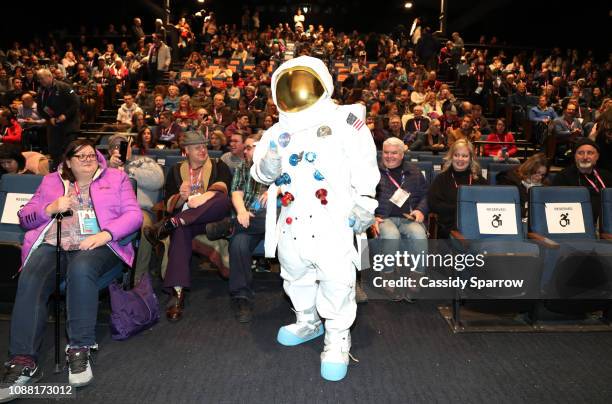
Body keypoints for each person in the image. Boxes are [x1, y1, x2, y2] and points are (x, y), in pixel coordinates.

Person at [251, 56, 379, 381]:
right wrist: (273, 155)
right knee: (294, 273)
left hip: (333, 218)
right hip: (293, 218)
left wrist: (365, 201)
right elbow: (262, 175)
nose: (296, 92)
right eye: (288, 85)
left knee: (337, 278)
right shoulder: (277, 131)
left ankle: (337, 336)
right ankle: (308, 320)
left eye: (303, 83)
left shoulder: (345, 121)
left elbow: (364, 163)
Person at [0, 140, 142, 397]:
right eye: (81, 156)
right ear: (68, 162)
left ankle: (80, 348)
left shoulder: (117, 178)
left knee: (81, 268)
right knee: (31, 276)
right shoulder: (51, 182)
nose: (88, 159)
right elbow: (25, 216)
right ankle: (23, 361)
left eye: (91, 155)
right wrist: (49, 209)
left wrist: (107, 235)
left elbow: (134, 216)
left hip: (100, 245)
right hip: (54, 243)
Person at [144, 131, 232, 322]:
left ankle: (171, 224)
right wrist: (180, 198)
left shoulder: (218, 165)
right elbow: (168, 203)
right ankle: (177, 294)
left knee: (222, 200)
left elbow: (223, 188)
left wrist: (204, 197)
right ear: (186, 151)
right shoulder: (176, 171)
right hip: (188, 222)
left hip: (212, 221)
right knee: (181, 231)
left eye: (204, 146)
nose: (203, 150)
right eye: (197, 147)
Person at [371, 137, 429, 297]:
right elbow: (363, 197)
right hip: (383, 217)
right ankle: (387, 276)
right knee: (391, 235)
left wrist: (420, 210)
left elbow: (425, 195)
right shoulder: (373, 171)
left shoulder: (414, 172)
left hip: (408, 217)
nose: (389, 156)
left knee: (419, 235)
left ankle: (416, 277)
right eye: (386, 153)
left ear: (402, 154)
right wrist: (372, 217)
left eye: (394, 153)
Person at [107, 134, 165, 280]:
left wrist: (127, 168)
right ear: (109, 152)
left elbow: (158, 181)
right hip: (110, 211)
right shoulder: (104, 166)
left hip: (139, 209)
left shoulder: (144, 162)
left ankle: (139, 276)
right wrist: (110, 168)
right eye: (115, 146)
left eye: (123, 145)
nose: (120, 149)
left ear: (130, 147)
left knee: (143, 225)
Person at [228, 133, 268, 323]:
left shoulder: (278, 167)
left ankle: (228, 226)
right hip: (248, 221)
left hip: (275, 222)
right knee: (238, 244)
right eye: (246, 147)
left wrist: (275, 191)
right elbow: (236, 193)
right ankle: (242, 297)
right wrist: (242, 212)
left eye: (250, 147)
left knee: (266, 217)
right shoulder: (243, 168)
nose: (246, 150)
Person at [428, 139, 488, 238]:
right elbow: (434, 205)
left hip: (477, 226)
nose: (460, 159)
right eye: (456, 155)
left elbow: (487, 204)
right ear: (451, 157)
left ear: (471, 158)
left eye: (464, 156)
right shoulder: (441, 178)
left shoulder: (479, 180)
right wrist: (461, 208)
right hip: (449, 227)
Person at [552, 138, 612, 224]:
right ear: (575, 156)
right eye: (580, 153)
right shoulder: (563, 177)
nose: (585, 157)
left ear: (597, 156)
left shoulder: (607, 176)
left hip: (607, 223)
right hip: (576, 223)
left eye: (590, 153)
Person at [36, 68, 81, 171]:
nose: (41, 81)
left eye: (42, 78)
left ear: (50, 76)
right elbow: (40, 108)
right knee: (54, 150)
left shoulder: (64, 87)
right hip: (53, 124)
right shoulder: (41, 91)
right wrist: (49, 118)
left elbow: (76, 103)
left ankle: (71, 172)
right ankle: (56, 173)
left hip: (69, 124)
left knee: (68, 150)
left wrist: (65, 115)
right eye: (39, 79)